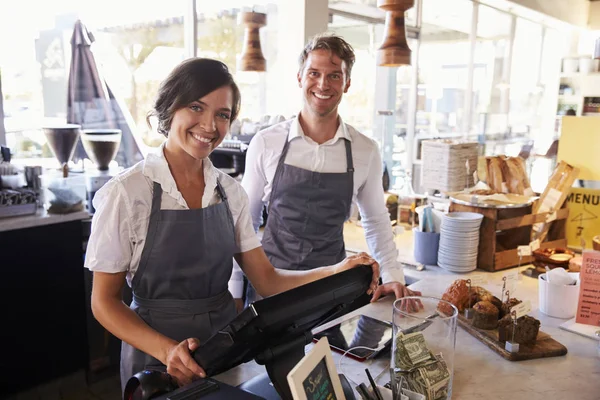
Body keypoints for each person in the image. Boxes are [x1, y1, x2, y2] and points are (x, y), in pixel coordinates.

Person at [84, 58, 380, 390]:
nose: (209, 126)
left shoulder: (229, 193)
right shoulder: (126, 194)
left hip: (224, 350)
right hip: (155, 356)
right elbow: (104, 302)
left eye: (222, 115)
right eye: (197, 107)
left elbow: (267, 280)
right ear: (170, 106)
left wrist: (337, 270)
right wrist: (168, 351)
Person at [238, 33, 420, 305]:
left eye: (335, 75)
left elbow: (376, 222)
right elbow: (245, 224)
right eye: (314, 73)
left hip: (331, 290)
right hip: (270, 288)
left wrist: (393, 275)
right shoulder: (266, 143)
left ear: (347, 84)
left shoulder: (364, 150)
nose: (323, 84)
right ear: (300, 77)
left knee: (329, 350)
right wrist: (234, 291)